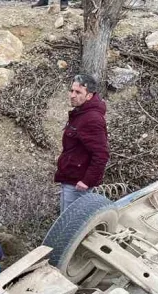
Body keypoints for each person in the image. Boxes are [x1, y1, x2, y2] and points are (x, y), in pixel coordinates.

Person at [54, 74, 109, 215]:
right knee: (65, 221)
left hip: (77, 185)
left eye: (78, 92)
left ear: (89, 96)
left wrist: (87, 181)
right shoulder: (81, 113)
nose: (72, 95)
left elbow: (101, 154)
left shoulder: (91, 119)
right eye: (72, 91)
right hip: (71, 178)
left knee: (68, 226)